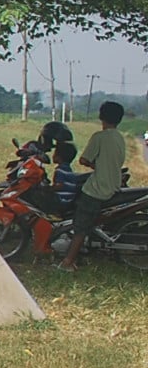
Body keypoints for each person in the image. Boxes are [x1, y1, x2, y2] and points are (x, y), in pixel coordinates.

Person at [61, 101, 128, 271]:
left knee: (80, 226)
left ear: (101, 116)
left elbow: (84, 159)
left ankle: (68, 262)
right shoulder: (120, 137)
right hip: (113, 184)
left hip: (97, 188)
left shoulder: (99, 137)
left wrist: (93, 165)